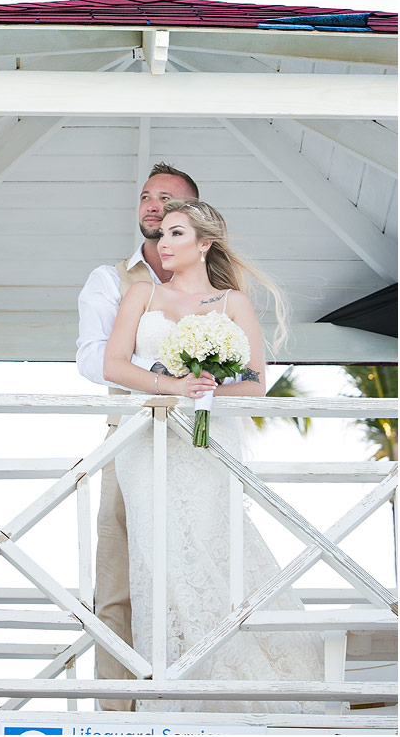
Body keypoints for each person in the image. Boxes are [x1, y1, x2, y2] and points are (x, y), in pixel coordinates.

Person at [103, 199, 324, 713]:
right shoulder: (142, 293)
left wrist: (210, 386)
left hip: (207, 447)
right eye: (162, 235)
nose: (164, 242)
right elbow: (114, 365)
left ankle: (230, 679)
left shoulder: (231, 304)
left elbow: (254, 384)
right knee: (157, 557)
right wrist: (172, 385)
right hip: (150, 444)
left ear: (204, 245)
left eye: (177, 233)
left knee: (209, 544)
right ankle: (171, 687)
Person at [76, 162, 199, 710]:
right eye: (146, 197)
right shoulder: (111, 279)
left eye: (167, 199)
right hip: (127, 440)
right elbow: (90, 360)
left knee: (195, 567)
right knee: (117, 571)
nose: (152, 206)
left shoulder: (214, 286)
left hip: (197, 447)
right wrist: (165, 378)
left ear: (191, 215)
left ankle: (194, 697)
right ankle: (117, 710)